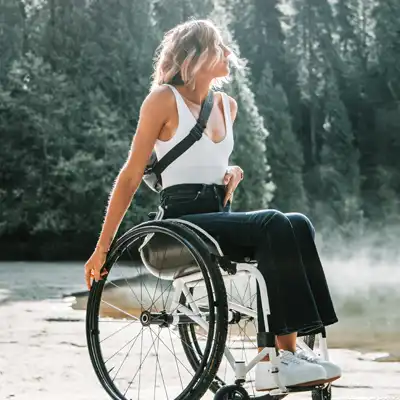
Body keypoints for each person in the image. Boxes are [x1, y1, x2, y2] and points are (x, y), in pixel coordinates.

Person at [84, 19, 341, 391]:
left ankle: (296, 347)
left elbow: (208, 163)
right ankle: (278, 358)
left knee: (297, 223)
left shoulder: (227, 106)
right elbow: (129, 176)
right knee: (271, 222)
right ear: (197, 55)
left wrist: (229, 175)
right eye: (220, 47)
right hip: (178, 224)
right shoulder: (162, 100)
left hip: (214, 214)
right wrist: (101, 248)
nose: (228, 54)